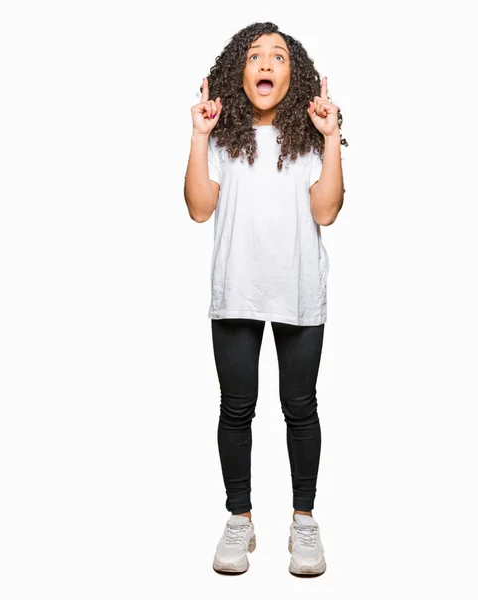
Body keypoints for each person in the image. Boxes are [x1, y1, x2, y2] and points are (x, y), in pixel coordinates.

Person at [183, 21, 347, 576]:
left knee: (300, 408)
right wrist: (200, 136)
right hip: (237, 292)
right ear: (239, 70)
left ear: (293, 74)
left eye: (278, 56)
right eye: (255, 56)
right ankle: (240, 518)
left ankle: (304, 522)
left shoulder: (306, 137)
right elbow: (199, 208)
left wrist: (329, 137)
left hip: (298, 292)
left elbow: (326, 211)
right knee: (236, 407)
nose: (267, 64)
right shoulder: (225, 137)